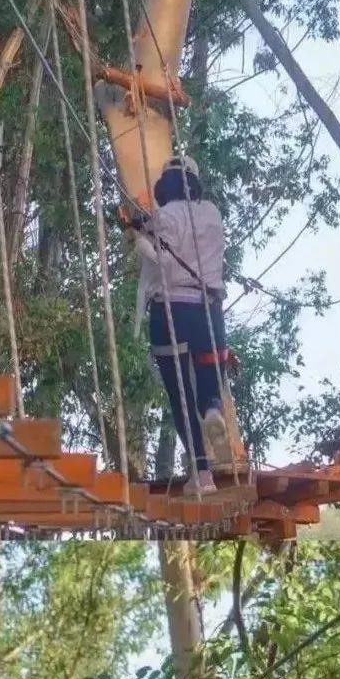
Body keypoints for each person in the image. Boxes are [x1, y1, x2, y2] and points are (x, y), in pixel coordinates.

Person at [128, 155, 237, 495]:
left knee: (179, 394)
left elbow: (163, 261)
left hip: (171, 311)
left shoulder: (165, 216)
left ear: (166, 186)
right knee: (208, 376)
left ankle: (202, 475)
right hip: (209, 311)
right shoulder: (213, 214)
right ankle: (213, 409)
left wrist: (139, 238)